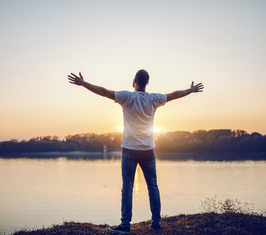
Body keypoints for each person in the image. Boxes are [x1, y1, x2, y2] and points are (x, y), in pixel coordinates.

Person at [67, 69, 204, 234]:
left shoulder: (127, 97)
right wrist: (191, 90)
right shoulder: (154, 98)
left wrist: (83, 84)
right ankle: (156, 224)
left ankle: (125, 225)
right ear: (147, 82)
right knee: (153, 186)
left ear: (134, 81)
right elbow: (174, 94)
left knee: (127, 187)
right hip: (148, 150)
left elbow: (103, 92)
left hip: (130, 150)